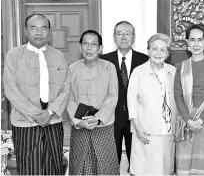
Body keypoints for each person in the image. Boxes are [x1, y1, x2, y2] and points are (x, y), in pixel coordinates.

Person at [3, 13, 69, 175]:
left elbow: (66, 88)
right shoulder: (14, 55)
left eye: (43, 28)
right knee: (28, 168)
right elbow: (10, 88)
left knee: (54, 166)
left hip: (53, 120)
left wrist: (50, 112)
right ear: (26, 31)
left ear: (49, 32)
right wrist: (36, 114)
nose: (39, 32)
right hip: (25, 122)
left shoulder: (58, 56)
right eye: (34, 28)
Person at [67, 30, 120, 175]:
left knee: (105, 166)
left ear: (100, 48)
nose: (89, 48)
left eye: (94, 44)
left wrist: (98, 117)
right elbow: (69, 97)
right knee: (80, 167)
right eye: (86, 44)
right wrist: (78, 121)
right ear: (80, 47)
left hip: (103, 125)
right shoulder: (72, 68)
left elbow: (113, 95)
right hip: (80, 125)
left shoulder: (109, 67)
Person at [174, 24, 204, 175]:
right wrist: (189, 120)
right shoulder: (180, 66)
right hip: (185, 117)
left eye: (200, 40)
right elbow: (178, 95)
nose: (196, 44)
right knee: (185, 163)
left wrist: (200, 120)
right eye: (192, 40)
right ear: (187, 42)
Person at [127, 33, 177, 175]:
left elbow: (178, 101)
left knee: (164, 169)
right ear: (148, 50)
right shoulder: (138, 72)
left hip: (167, 130)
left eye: (163, 50)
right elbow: (131, 101)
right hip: (145, 130)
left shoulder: (173, 72)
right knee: (145, 170)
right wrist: (137, 127)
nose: (158, 53)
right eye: (154, 49)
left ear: (167, 54)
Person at [100, 21, 148, 167]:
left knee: (137, 157)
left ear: (134, 37)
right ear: (114, 38)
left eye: (128, 33)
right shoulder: (104, 60)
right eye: (119, 34)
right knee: (111, 157)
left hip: (137, 117)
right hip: (112, 116)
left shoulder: (145, 60)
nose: (124, 37)